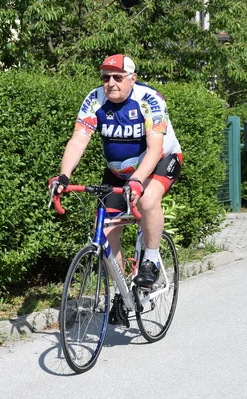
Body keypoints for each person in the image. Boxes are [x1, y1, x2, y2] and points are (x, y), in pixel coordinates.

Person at [50, 54, 183, 323]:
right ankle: (123, 293)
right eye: (105, 77)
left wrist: (137, 181)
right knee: (108, 232)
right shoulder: (95, 99)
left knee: (146, 201)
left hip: (160, 161)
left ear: (132, 79)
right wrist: (64, 176)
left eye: (117, 78)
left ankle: (151, 260)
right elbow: (79, 139)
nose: (110, 83)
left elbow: (155, 148)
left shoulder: (149, 99)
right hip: (117, 171)